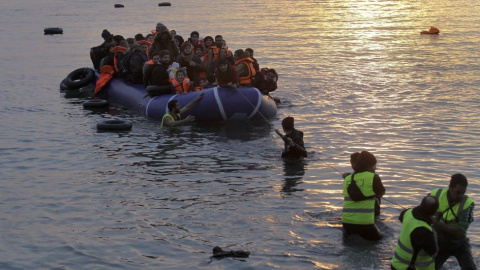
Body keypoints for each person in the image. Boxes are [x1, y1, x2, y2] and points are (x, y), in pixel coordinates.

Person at [430, 174, 476, 270]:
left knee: (470, 268)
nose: (460, 196)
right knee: (430, 268)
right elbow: (422, 210)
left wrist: (437, 224)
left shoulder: (468, 204)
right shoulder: (436, 194)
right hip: (439, 242)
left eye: (463, 193)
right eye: (458, 192)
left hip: (459, 243)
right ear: (450, 188)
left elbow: (461, 230)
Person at [341, 151, 385, 241]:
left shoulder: (347, 179)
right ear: (368, 166)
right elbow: (381, 192)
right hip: (365, 224)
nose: (375, 168)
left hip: (346, 223)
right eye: (374, 165)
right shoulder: (374, 177)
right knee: (380, 240)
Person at [391, 196, 439, 270]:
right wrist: (434, 231)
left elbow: (401, 218)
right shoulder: (423, 231)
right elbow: (434, 253)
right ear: (435, 212)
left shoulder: (407, 212)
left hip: (396, 264)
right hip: (410, 267)